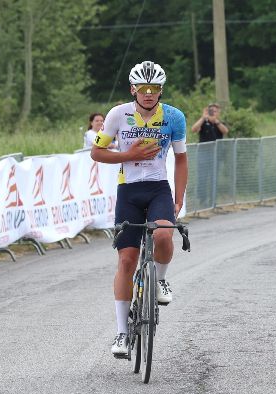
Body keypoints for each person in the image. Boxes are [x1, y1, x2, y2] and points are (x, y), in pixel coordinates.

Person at [90, 60, 187, 357]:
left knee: (164, 234)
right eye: (143, 88)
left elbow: (181, 159)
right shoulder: (118, 114)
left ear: (161, 90)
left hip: (158, 188)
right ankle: (122, 333)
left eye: (154, 88)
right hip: (129, 192)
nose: (148, 93)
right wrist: (127, 154)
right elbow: (96, 152)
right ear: (133, 89)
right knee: (127, 261)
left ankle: (160, 280)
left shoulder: (174, 117)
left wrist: (179, 197)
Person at [191, 104, 229, 206]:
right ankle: (202, 200)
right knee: (202, 177)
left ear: (218, 113)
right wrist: (203, 118)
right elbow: (194, 129)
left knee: (214, 178)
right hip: (203, 154)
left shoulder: (220, 123)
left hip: (216, 154)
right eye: (211, 111)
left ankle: (213, 200)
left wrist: (216, 121)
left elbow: (225, 131)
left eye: (215, 111)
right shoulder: (203, 123)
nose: (213, 113)